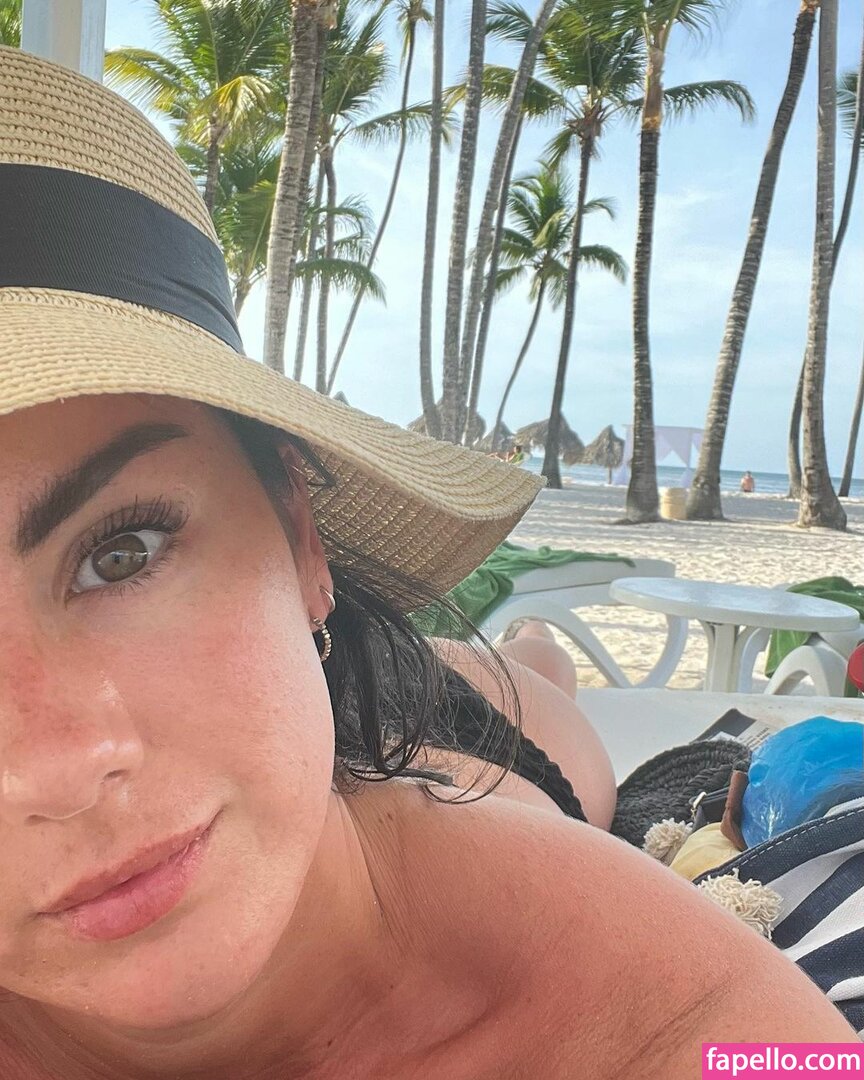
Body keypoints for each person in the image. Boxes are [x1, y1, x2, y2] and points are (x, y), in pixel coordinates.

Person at [0, 47, 853, 1080]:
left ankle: (531, 653)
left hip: (479, 743)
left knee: (530, 681)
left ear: (301, 534)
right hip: (332, 708)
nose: (53, 770)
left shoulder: (665, 1008)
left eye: (122, 552)